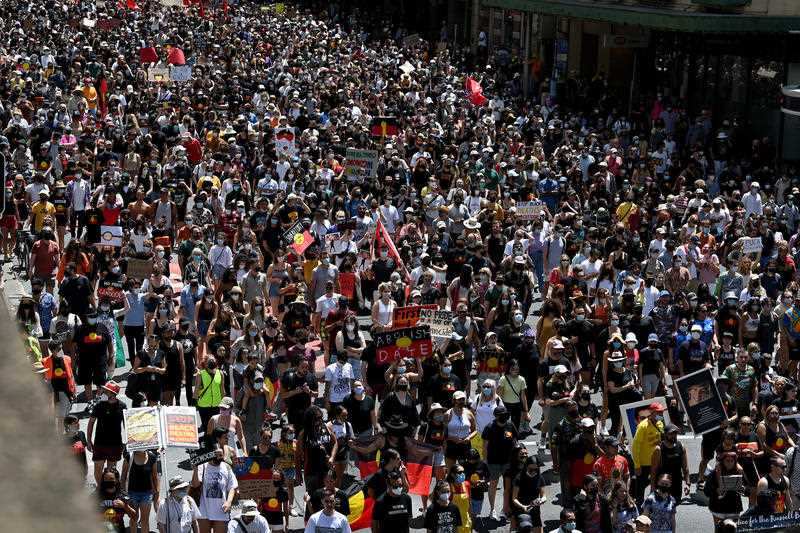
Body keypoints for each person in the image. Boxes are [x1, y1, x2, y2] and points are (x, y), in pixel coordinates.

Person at [87, 381, 126, 486]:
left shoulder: (122, 406)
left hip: (115, 444)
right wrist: (89, 440)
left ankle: (109, 489)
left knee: (111, 470)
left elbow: (126, 425)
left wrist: (126, 442)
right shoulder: (99, 405)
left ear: (112, 393)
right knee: (98, 468)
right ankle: (100, 489)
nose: (104, 392)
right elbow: (91, 422)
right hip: (100, 443)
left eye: (106, 390)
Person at [190, 446, 238, 533]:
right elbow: (195, 484)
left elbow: (232, 487)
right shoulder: (203, 466)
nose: (220, 457)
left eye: (221, 455)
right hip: (204, 510)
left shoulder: (226, 467)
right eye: (218, 455)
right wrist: (195, 469)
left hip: (221, 509)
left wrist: (229, 502)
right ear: (211, 455)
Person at [631, 402, 666, 505]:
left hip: (656, 461)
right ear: (651, 412)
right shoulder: (642, 426)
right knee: (641, 486)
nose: (661, 414)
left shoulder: (660, 424)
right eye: (658, 412)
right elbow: (635, 447)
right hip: (644, 463)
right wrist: (637, 465)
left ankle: (654, 502)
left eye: (661, 412)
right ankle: (639, 505)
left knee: (656, 483)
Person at [121, 449, 160, 533]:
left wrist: (156, 492)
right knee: (134, 518)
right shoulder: (129, 456)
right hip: (131, 493)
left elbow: (155, 476)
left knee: (144, 521)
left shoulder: (152, 457)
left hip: (147, 494)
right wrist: (123, 492)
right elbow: (123, 475)